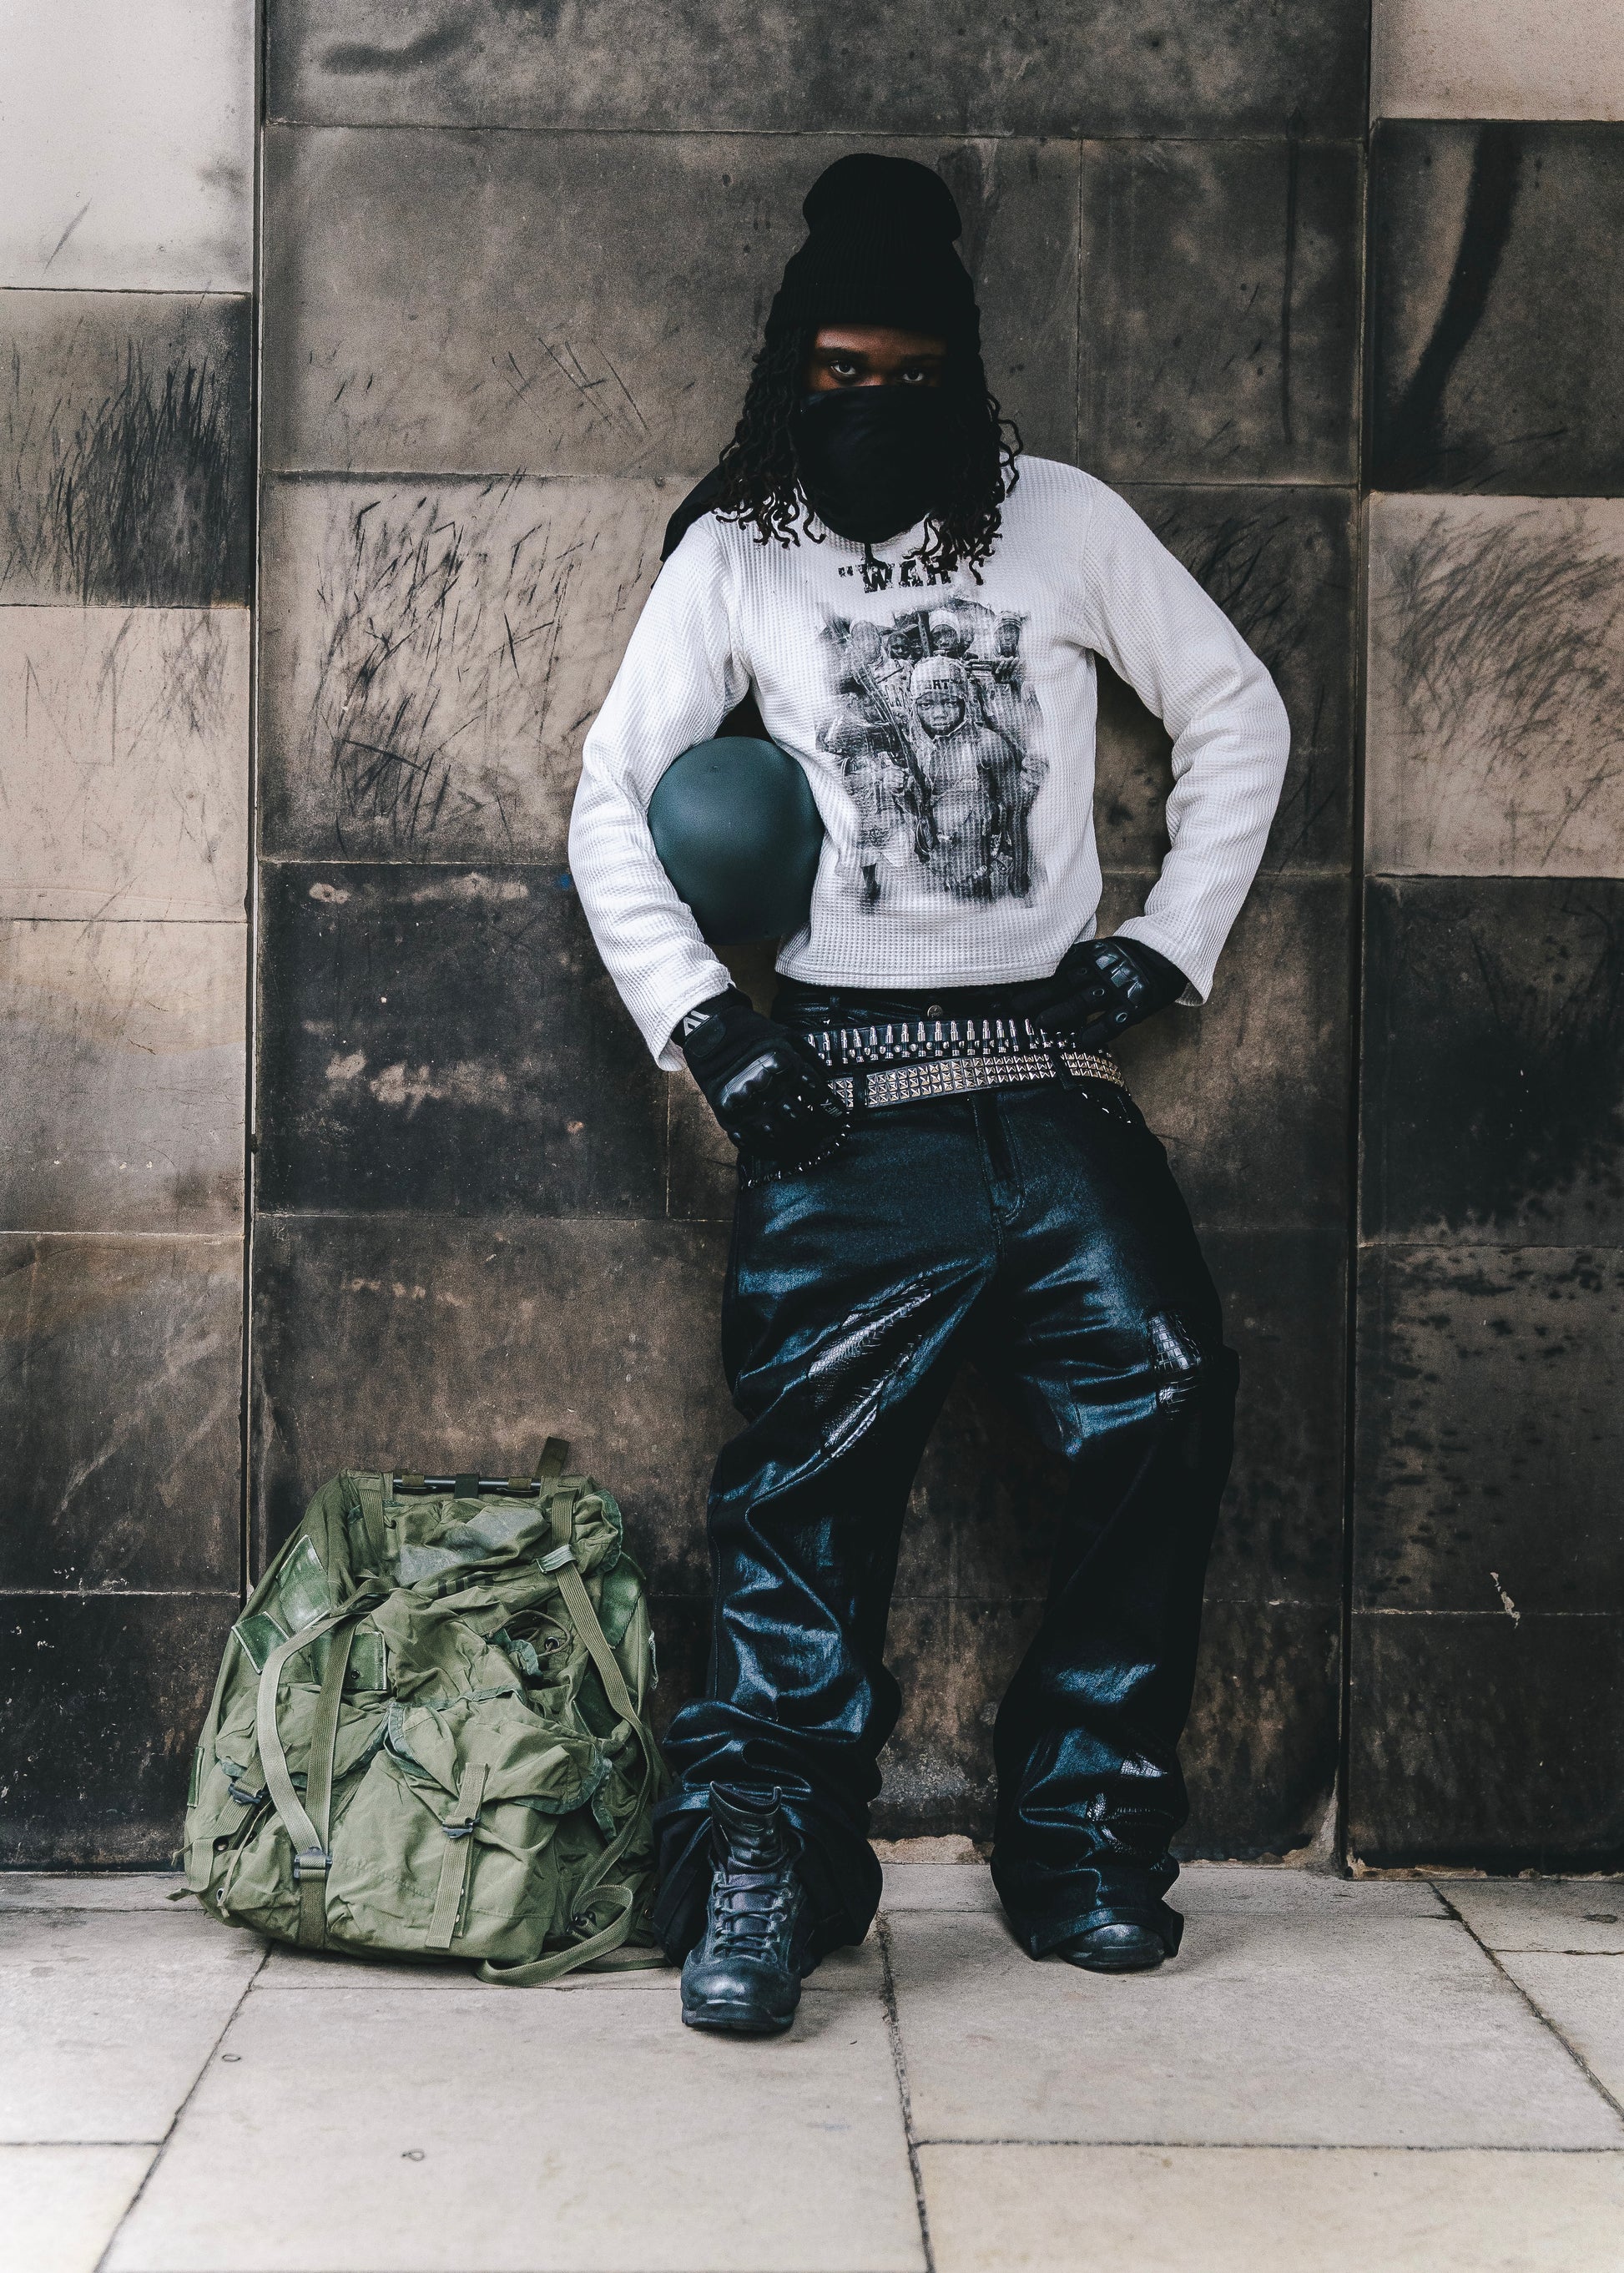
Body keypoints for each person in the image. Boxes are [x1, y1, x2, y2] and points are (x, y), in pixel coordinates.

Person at [569, 153, 1290, 2036]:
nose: (871, 401)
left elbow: (1234, 705)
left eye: (908, 375)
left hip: (1047, 1075)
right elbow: (608, 798)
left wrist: (1169, 938)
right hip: (834, 1090)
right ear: (788, 371)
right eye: (839, 371)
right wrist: (706, 1025)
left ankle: (1082, 1835)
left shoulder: (1059, 518)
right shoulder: (735, 551)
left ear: (961, 374)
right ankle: (765, 1859)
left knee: (1168, 1394)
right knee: (804, 1488)